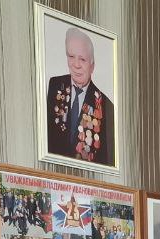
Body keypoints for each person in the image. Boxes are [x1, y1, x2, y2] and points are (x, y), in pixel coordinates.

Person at [46, 27, 115, 166]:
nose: (76, 65)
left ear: (92, 66)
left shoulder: (105, 105)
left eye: (82, 59)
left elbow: (105, 161)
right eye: (71, 56)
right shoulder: (55, 85)